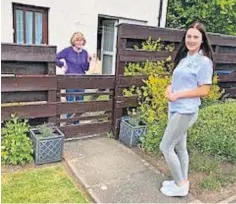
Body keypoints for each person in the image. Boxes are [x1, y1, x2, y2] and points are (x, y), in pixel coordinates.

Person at [159, 21, 214, 197]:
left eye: (195, 37)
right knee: (180, 147)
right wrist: (170, 89)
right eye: (189, 36)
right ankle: (182, 180)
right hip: (175, 107)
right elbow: (180, 81)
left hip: (186, 110)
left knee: (166, 147)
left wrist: (178, 96)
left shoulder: (204, 62)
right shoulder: (184, 58)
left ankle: (180, 184)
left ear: (202, 40)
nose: (191, 40)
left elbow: (204, 90)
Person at [56, 32, 90, 124]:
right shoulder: (68, 51)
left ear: (83, 42)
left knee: (80, 103)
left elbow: (86, 68)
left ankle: (77, 124)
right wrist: (62, 64)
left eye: (81, 40)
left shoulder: (85, 53)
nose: (79, 42)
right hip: (70, 81)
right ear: (73, 41)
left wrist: (88, 61)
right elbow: (55, 57)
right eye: (77, 40)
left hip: (81, 81)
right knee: (70, 103)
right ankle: (69, 124)